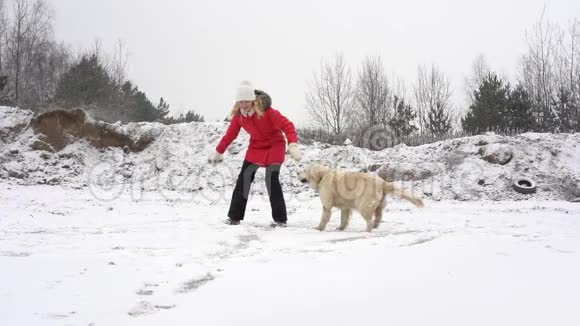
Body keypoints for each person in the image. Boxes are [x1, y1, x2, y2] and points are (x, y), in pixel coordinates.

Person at [208, 81, 302, 227]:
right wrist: (219, 151)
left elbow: (287, 126)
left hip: (274, 146)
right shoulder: (239, 116)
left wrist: (293, 144)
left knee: (271, 180)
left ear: (252, 100)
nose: (244, 104)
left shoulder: (268, 112)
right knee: (244, 179)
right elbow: (230, 135)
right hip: (256, 148)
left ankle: (280, 219)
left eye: (246, 101)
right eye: (240, 102)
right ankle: (234, 217)